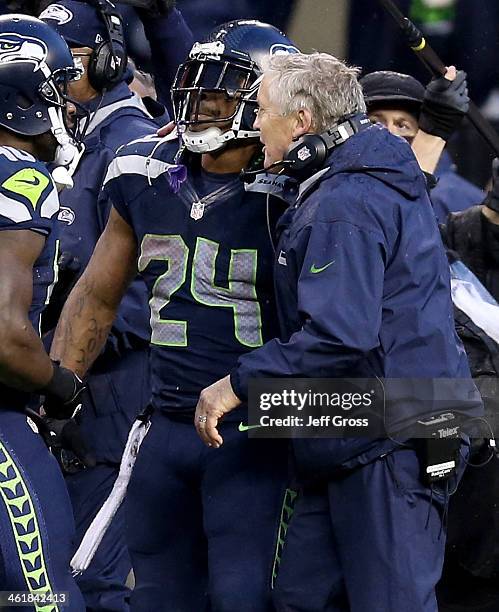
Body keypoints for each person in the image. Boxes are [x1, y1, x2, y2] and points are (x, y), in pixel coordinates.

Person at [193, 52, 483, 612]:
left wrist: (238, 384)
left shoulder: (345, 201)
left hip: (391, 429)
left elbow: (339, 335)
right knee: (300, 599)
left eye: (261, 111)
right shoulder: (360, 177)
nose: (254, 124)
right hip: (357, 423)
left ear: (302, 122)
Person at [49, 20, 299, 612]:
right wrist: (58, 390)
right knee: (161, 596)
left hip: (260, 426)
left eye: (225, 90)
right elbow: (96, 296)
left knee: (244, 596)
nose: (204, 103)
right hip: (164, 420)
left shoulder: (301, 183)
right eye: (198, 86)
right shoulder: (145, 167)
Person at [38, 2, 191, 609]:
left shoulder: (130, 141)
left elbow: (143, 286)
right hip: (60, 379)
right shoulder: (62, 139)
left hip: (113, 386)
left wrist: (56, 354)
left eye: (66, 63)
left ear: (105, 59)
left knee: (83, 576)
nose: (53, 84)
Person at [0, 14, 89, 608]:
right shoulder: (20, 180)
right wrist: (61, 385)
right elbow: (4, 336)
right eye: (59, 84)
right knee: (45, 599)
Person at [360, 69, 484, 223]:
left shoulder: (442, 196)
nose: (389, 133)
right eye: (375, 123)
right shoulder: (348, 192)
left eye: (401, 125)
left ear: (422, 132)